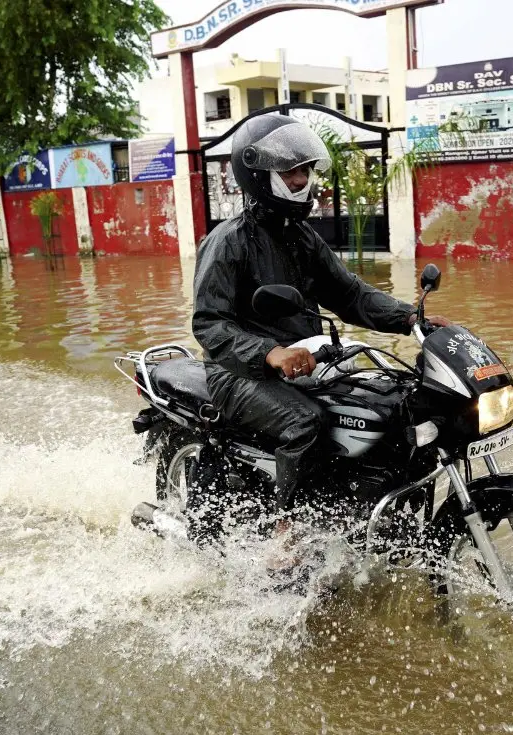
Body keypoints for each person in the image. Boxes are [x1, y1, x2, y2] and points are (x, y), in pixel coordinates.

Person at [191, 113, 448, 533]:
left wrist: (409, 318)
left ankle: (365, 510)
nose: (303, 180)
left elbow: (349, 294)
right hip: (235, 371)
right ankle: (288, 530)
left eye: (306, 170)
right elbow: (209, 324)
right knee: (304, 422)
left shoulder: (302, 237)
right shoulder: (227, 242)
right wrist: (269, 353)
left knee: (387, 403)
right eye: (292, 172)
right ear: (259, 174)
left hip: (305, 358)